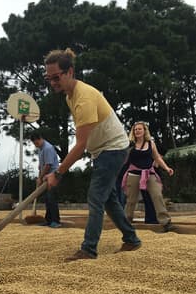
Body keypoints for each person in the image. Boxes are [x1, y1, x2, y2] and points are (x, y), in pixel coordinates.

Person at [43, 48, 141, 261]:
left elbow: (80, 146)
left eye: (56, 77)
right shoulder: (70, 96)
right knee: (109, 200)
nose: (52, 82)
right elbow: (84, 143)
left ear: (70, 72)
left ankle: (88, 249)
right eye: (48, 78)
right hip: (103, 150)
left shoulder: (84, 98)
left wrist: (58, 173)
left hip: (113, 148)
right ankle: (131, 239)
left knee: (96, 196)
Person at [122, 121, 175, 232]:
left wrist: (166, 168)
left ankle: (165, 221)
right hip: (134, 174)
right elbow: (123, 159)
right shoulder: (130, 144)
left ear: (144, 131)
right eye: (135, 129)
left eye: (139, 129)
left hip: (149, 173)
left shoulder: (151, 143)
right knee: (131, 200)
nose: (137, 131)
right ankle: (126, 221)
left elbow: (157, 158)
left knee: (157, 195)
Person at [30, 132, 61, 228]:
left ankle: (56, 221)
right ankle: (48, 220)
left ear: (40, 138)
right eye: (34, 144)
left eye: (37, 143)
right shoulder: (40, 149)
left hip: (54, 175)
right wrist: (39, 177)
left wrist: (40, 178)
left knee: (51, 198)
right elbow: (42, 165)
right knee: (47, 199)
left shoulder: (48, 148)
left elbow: (48, 165)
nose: (36, 145)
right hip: (46, 176)